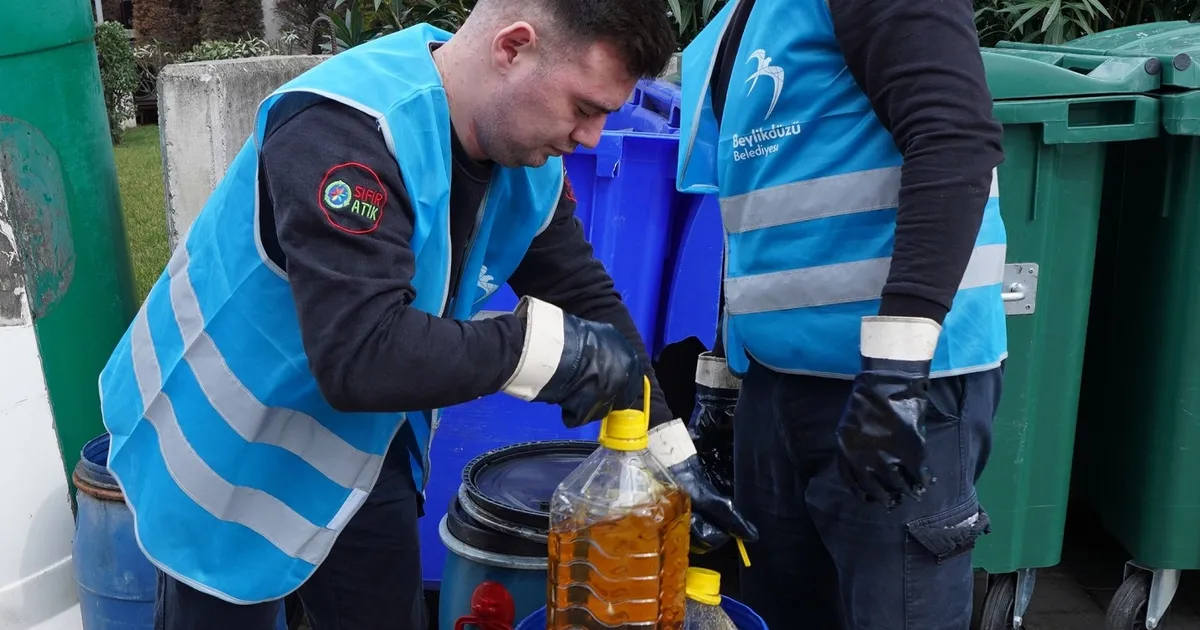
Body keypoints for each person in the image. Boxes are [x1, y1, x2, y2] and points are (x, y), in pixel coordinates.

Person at [96, 1, 754, 628]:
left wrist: (672, 458)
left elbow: (585, 296)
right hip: (226, 449)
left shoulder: (522, 157)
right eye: (584, 108)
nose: (591, 136)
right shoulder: (345, 130)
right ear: (513, 47)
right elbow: (360, 356)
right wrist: (546, 353)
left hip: (357, 446)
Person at [672, 0, 1009, 628]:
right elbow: (751, 221)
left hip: (896, 392)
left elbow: (953, 138)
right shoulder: (738, 20)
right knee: (775, 611)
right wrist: (719, 390)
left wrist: (895, 376)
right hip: (774, 388)